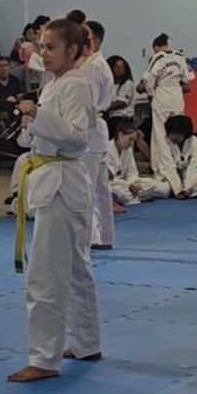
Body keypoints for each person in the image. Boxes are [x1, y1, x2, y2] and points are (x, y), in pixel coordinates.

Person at [7, 19, 101, 383]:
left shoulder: (76, 83)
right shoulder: (55, 84)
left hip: (61, 182)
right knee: (76, 269)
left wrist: (37, 114)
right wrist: (30, 121)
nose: (43, 54)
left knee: (45, 275)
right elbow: (41, 135)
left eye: (51, 47)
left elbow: (77, 138)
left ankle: (44, 359)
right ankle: (85, 342)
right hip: (57, 179)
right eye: (41, 46)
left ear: (72, 50)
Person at [78, 20, 116, 250]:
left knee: (88, 186)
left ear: (96, 40)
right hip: (97, 129)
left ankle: (89, 236)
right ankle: (104, 236)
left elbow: (88, 103)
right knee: (100, 188)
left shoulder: (93, 67)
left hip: (91, 128)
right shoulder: (96, 64)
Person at [143, 34, 194, 174]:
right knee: (178, 132)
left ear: (157, 47)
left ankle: (158, 168)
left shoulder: (158, 58)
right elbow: (189, 77)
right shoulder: (180, 56)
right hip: (177, 98)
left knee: (159, 134)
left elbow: (148, 79)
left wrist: (152, 93)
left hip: (162, 98)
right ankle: (179, 165)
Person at [149, 114, 197, 199]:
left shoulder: (195, 142)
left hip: (187, 179)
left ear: (185, 133)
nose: (172, 137)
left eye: (176, 134)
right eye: (170, 133)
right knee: (163, 189)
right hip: (168, 180)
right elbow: (168, 168)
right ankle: (173, 192)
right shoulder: (164, 142)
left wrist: (186, 189)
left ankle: (181, 193)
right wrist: (177, 189)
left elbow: (194, 167)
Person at [107, 121, 154, 208]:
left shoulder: (128, 149)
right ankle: (135, 197)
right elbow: (110, 179)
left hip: (126, 184)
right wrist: (129, 185)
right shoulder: (107, 150)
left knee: (151, 184)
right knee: (118, 191)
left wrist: (134, 182)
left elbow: (132, 172)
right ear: (120, 135)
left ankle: (133, 196)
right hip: (114, 184)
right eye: (130, 139)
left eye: (133, 141)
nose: (131, 143)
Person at [106, 55, 136, 132]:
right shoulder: (111, 85)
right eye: (116, 67)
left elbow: (121, 103)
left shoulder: (128, 84)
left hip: (123, 120)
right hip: (111, 118)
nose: (119, 70)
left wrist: (104, 106)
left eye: (121, 67)